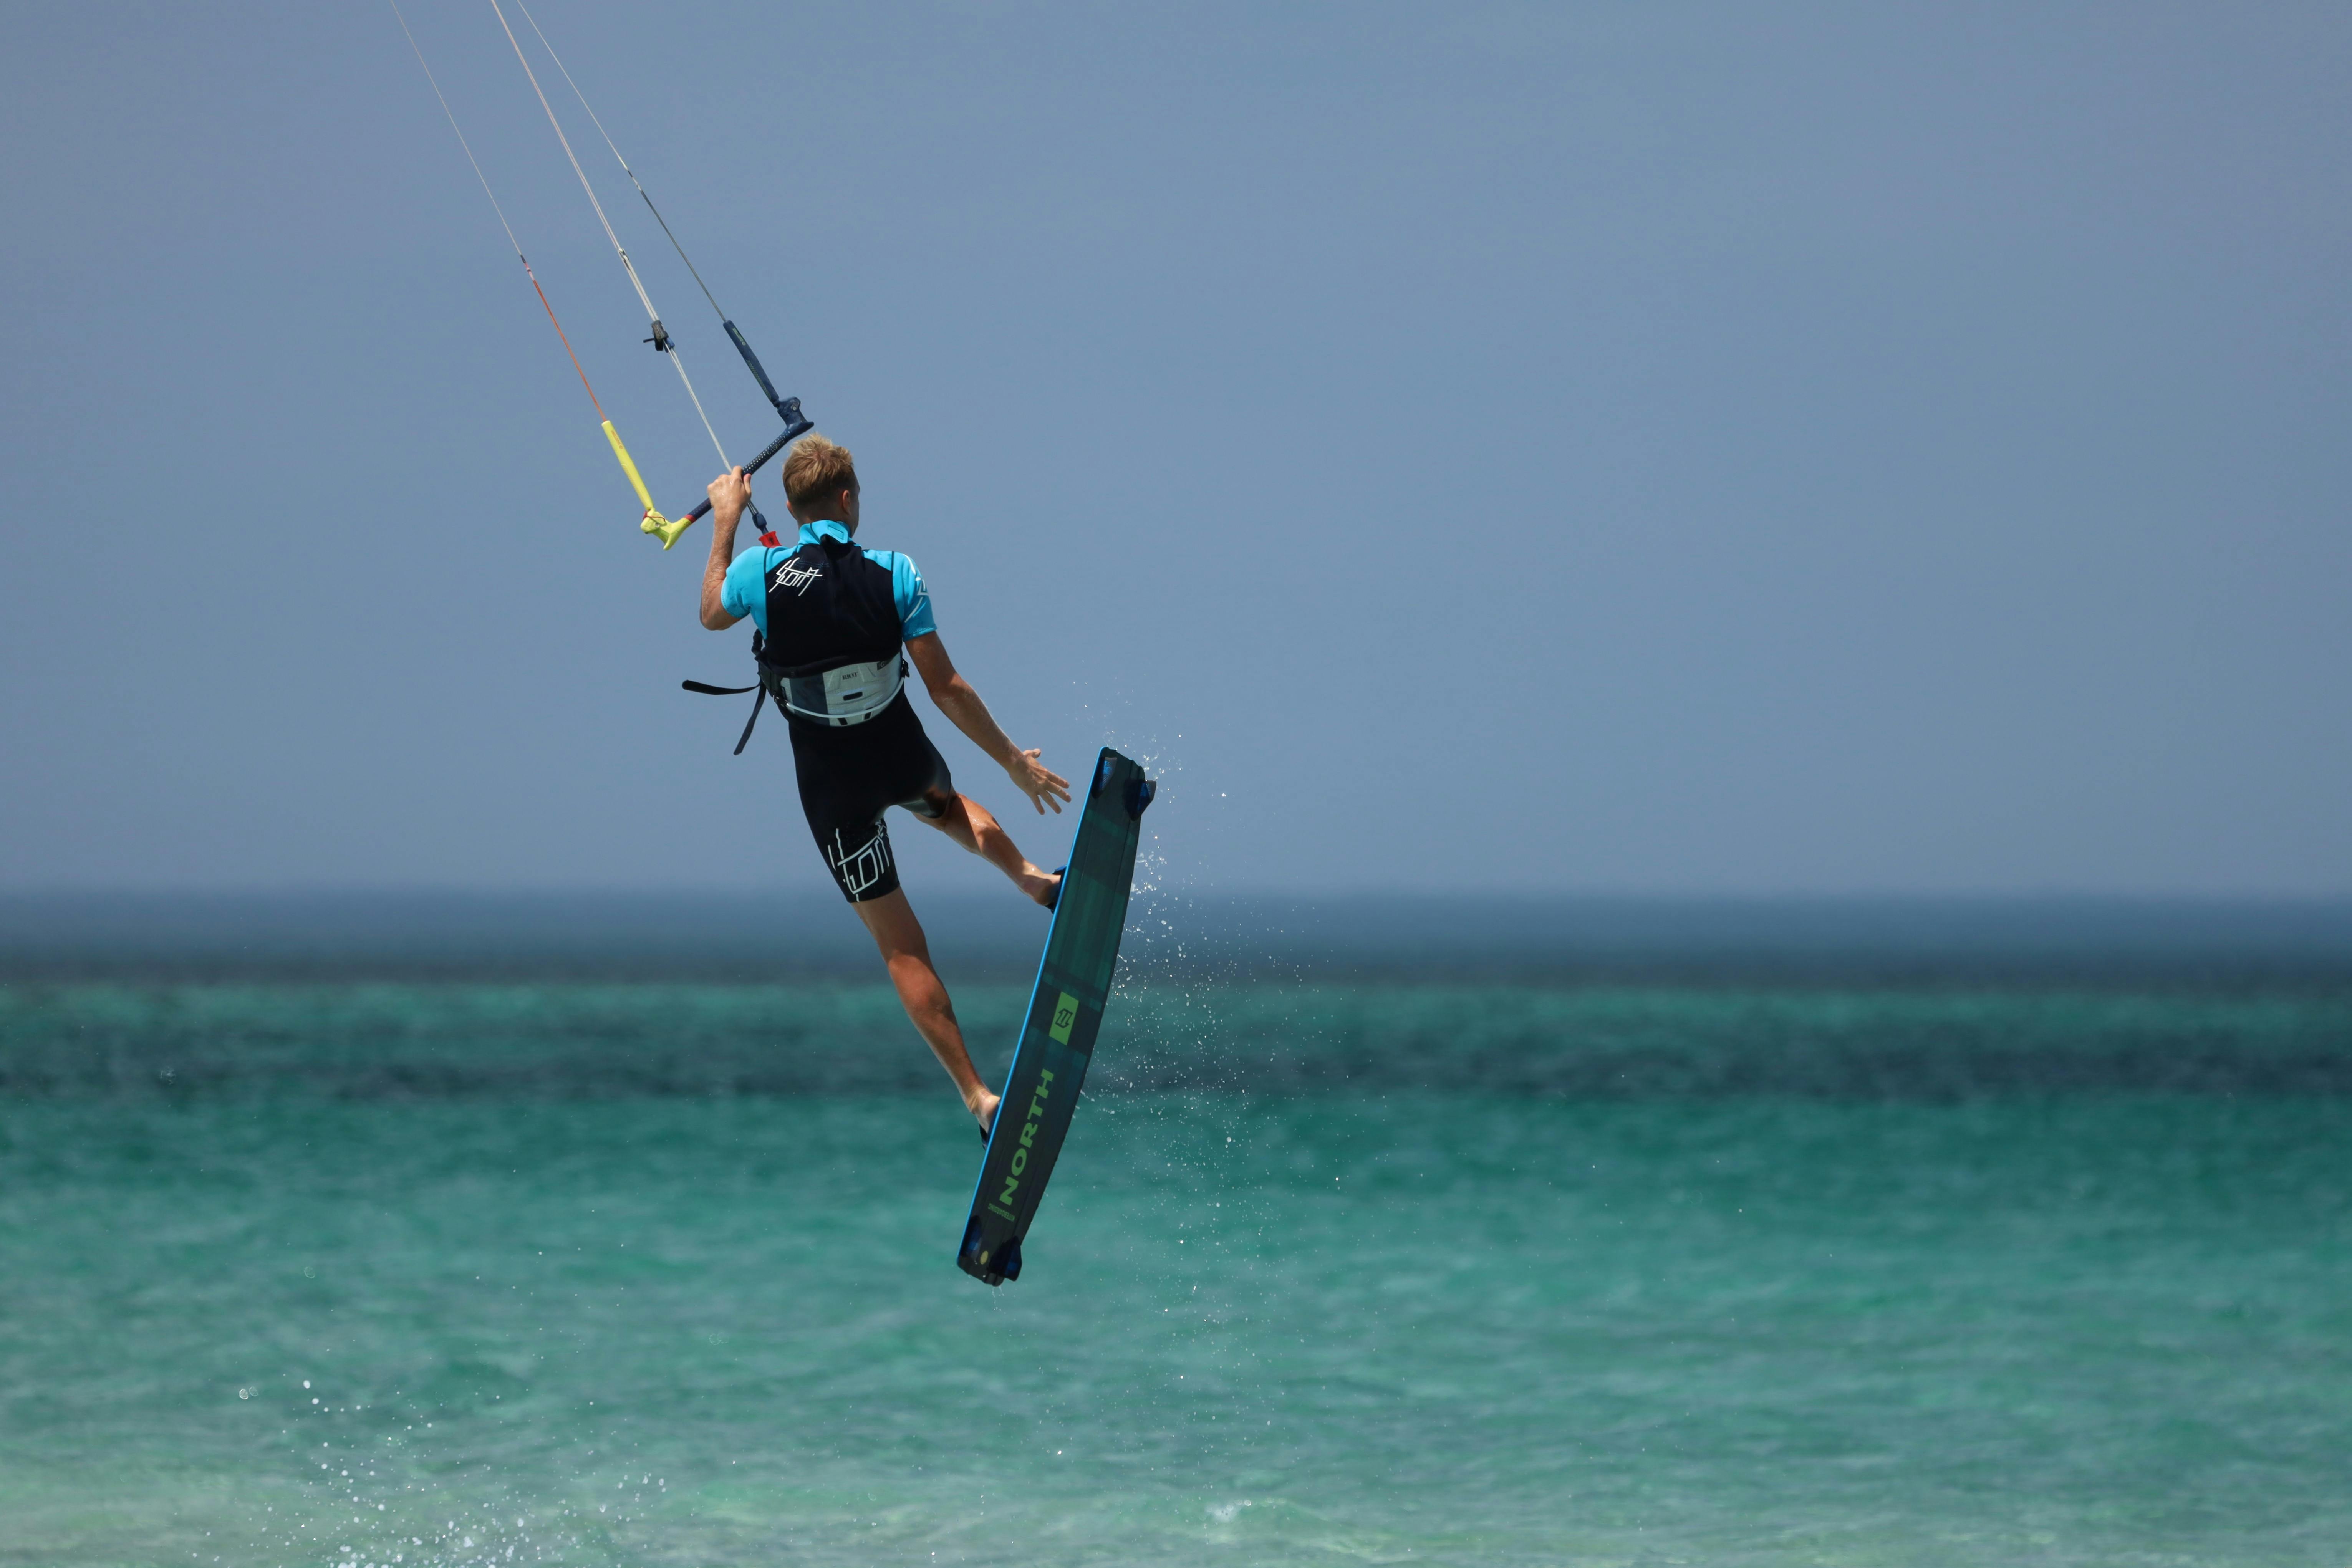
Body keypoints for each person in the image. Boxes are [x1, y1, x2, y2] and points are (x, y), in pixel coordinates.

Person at [697, 435, 1070, 1137]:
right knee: (946, 808)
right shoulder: (898, 572)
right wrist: (1013, 763)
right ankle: (1033, 880)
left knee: (903, 947)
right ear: (849, 499)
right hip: (898, 752)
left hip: (832, 785)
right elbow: (946, 688)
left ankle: (980, 1099)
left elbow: (712, 611)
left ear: (791, 508)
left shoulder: (757, 573)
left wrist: (725, 518)